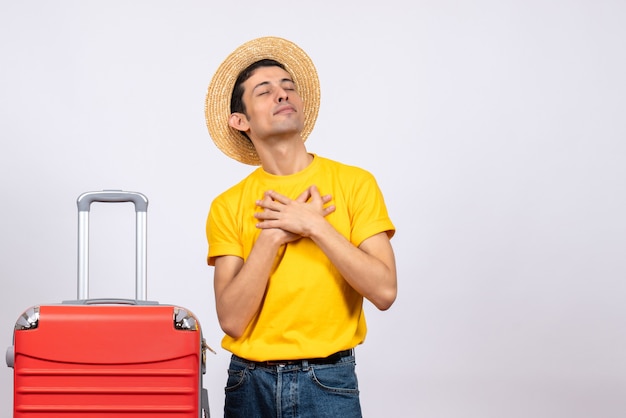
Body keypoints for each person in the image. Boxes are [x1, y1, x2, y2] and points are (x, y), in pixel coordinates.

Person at [204, 36, 397, 418]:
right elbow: (232, 321)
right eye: (265, 91)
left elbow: (385, 291)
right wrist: (271, 238)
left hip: (329, 381)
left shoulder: (355, 183)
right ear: (239, 121)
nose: (282, 94)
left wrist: (315, 226)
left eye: (288, 87)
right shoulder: (227, 205)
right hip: (248, 384)